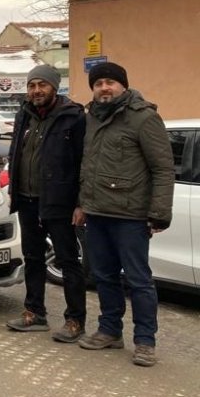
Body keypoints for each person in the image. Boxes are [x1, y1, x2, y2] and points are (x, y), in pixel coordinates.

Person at [76, 62, 174, 367]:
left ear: (123, 85)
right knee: (103, 276)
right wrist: (81, 204)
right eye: (98, 83)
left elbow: (162, 168)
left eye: (110, 82)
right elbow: (86, 167)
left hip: (131, 216)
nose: (104, 88)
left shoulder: (144, 118)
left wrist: (158, 214)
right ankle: (109, 331)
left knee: (138, 280)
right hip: (97, 213)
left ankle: (145, 341)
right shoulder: (90, 118)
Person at [4, 65, 87, 343]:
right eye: (32, 85)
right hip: (27, 200)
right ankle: (34, 313)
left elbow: (83, 164)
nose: (36, 90)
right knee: (33, 258)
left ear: (55, 87)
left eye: (42, 85)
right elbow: (16, 153)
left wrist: (79, 203)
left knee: (67, 261)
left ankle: (75, 320)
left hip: (59, 202)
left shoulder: (73, 118)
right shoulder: (23, 115)